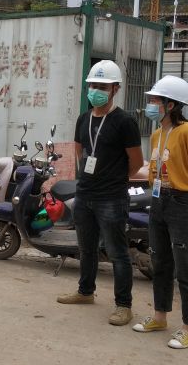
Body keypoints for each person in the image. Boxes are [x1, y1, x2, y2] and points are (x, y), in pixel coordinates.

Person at [133, 75, 188, 349]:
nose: (150, 105)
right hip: (160, 200)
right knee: (160, 262)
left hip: (184, 203)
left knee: (186, 268)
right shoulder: (157, 135)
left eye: (155, 100)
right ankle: (160, 317)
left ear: (171, 105)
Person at [57, 60, 144, 326]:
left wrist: (113, 178)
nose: (96, 91)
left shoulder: (125, 121)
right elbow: (79, 150)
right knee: (86, 248)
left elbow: (136, 162)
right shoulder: (83, 119)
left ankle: (124, 305)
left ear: (115, 89)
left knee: (117, 253)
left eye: (102, 87)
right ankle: (85, 292)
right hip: (85, 194)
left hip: (112, 198)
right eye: (93, 85)